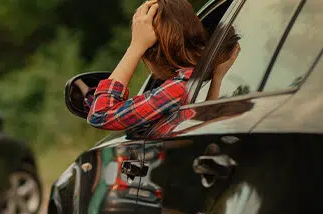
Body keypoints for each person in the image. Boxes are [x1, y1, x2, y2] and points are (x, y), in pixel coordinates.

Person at [85, 0, 240, 132]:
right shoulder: (199, 80)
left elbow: (100, 115)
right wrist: (217, 78)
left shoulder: (179, 88)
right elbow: (203, 122)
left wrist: (135, 47)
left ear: (152, 52)